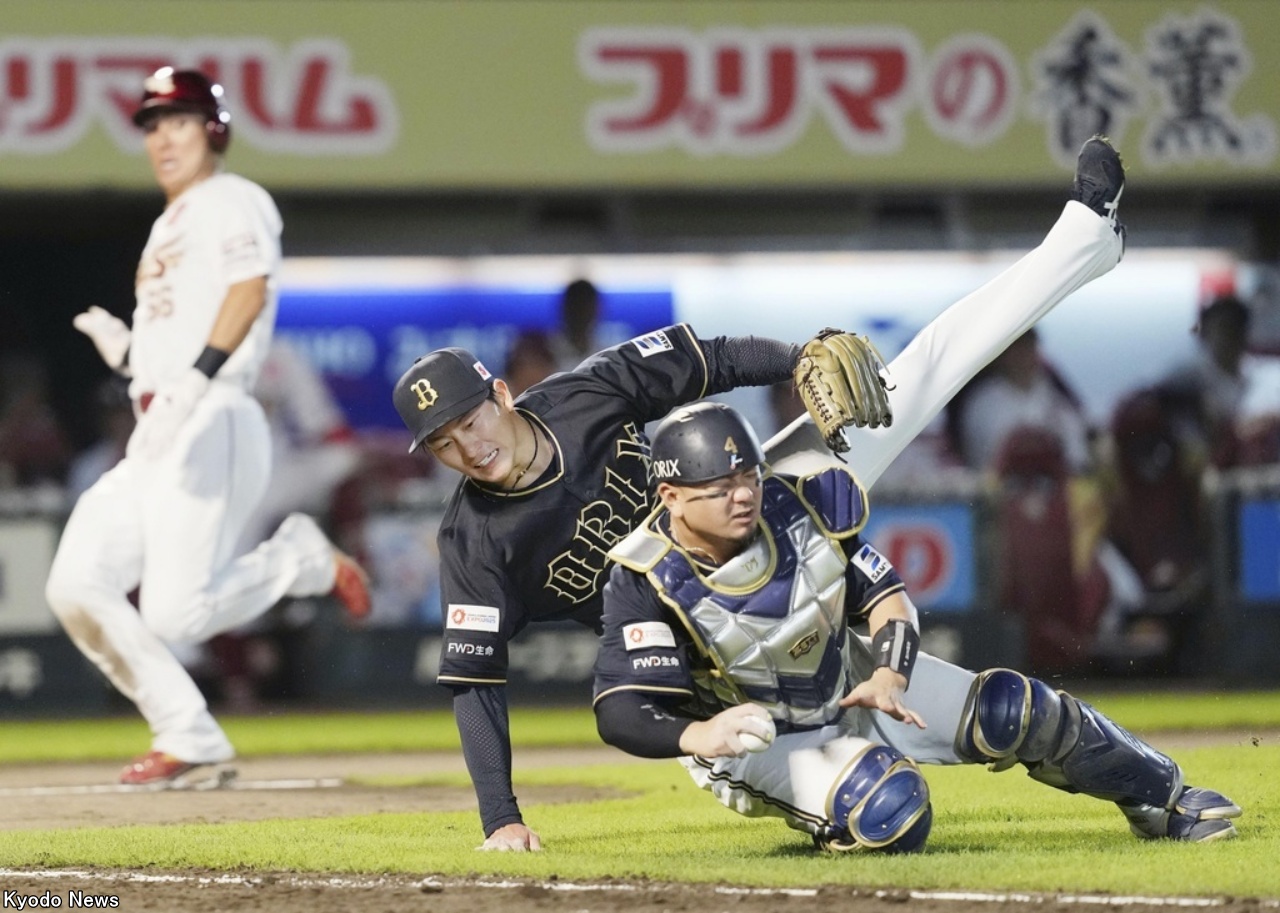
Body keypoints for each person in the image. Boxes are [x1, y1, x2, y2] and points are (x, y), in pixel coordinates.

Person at [393, 135, 1129, 851]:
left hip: (759, 519)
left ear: (499, 392)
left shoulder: (584, 393)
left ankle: (1085, 234)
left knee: (905, 380)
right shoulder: (475, 538)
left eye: (469, 418)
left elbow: (710, 361)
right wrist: (501, 818)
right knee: (876, 795)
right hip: (713, 666)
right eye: (442, 441)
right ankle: (827, 785)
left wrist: (797, 357)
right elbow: (476, 684)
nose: (467, 446)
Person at [593, 402, 1241, 850]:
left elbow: (887, 597)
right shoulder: (644, 575)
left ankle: (1165, 797)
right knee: (889, 808)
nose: (741, 494)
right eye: (717, 485)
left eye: (746, 475)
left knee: (1016, 708)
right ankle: (836, 818)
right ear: (672, 497)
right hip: (755, 737)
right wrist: (703, 731)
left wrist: (889, 671)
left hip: (849, 677)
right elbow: (621, 710)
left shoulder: (801, 507)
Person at [44, 67, 372, 788]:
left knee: (176, 612)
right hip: (157, 427)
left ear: (213, 130)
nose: (164, 138)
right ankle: (188, 734)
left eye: (181, 122)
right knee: (75, 583)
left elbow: (249, 289)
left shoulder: (232, 197)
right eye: (154, 125)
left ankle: (301, 559)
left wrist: (193, 381)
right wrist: (130, 353)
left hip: (215, 412)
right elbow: (183, 325)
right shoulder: (168, 223)